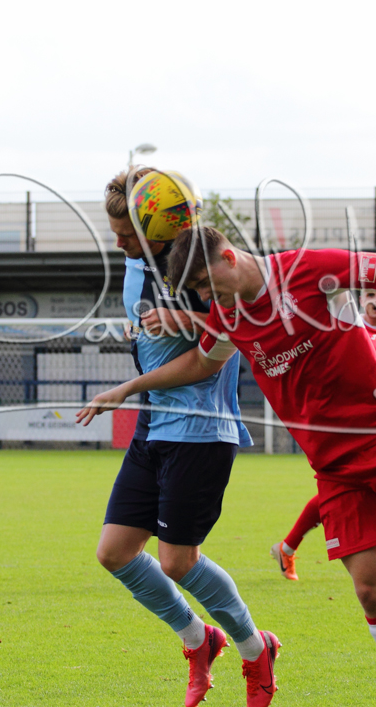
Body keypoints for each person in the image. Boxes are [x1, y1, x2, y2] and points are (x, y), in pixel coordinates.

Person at [78, 226, 376, 707]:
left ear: (229, 259)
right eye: (197, 291)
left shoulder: (308, 270)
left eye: (205, 284)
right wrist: (128, 389)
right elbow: (201, 363)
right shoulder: (227, 314)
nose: (206, 298)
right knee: (372, 593)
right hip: (335, 468)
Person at [93, 169, 279, 707]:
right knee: (115, 553)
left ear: (157, 232)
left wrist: (178, 323)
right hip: (154, 423)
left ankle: (255, 649)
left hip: (200, 430)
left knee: (177, 561)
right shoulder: (138, 258)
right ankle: (200, 640)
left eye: (126, 236)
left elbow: (220, 346)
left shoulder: (207, 271)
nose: (119, 245)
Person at [271, 287, 376, 581]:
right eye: (369, 294)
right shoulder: (353, 329)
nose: (375, 299)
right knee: (340, 491)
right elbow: (353, 372)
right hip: (352, 423)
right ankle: (287, 548)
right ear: (360, 299)